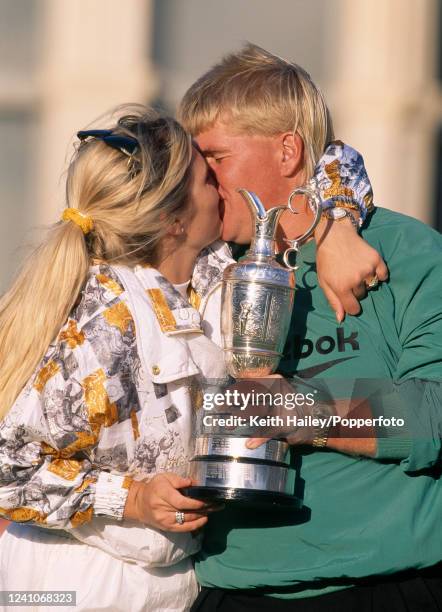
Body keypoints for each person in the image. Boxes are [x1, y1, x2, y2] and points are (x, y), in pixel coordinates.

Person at [0, 104, 379, 611]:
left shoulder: (212, 270)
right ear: (171, 221)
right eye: (207, 178)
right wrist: (131, 498)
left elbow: (337, 157)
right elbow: (10, 467)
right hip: (73, 585)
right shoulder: (101, 322)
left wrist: (338, 228)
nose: (222, 186)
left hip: (177, 582)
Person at [178, 44, 442, 611]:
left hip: (381, 587)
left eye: (215, 158)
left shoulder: (403, 252)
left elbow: (435, 413)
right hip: (227, 588)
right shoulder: (198, 264)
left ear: (287, 150)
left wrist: (304, 414)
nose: (198, 178)